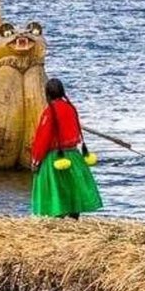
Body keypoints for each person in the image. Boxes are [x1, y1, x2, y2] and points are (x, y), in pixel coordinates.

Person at [30, 77, 103, 219]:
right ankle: (74, 218)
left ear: (48, 94)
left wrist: (36, 160)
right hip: (73, 155)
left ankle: (58, 217)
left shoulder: (49, 112)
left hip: (55, 157)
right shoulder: (71, 108)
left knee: (57, 189)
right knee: (73, 188)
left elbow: (43, 139)